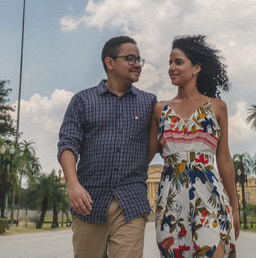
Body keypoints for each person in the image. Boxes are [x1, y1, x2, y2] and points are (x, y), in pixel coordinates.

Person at [58, 35, 157, 258]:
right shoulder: (82, 100)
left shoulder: (150, 103)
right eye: (130, 58)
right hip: (89, 203)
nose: (137, 64)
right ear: (109, 63)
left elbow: (152, 146)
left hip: (130, 203)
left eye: (140, 59)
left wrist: (135, 166)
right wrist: (73, 185)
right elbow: (67, 144)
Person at [149, 35, 239, 258]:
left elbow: (225, 159)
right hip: (171, 200)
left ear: (196, 67)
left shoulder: (217, 107)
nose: (171, 68)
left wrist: (235, 208)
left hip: (209, 195)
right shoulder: (160, 110)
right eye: (170, 63)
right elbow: (144, 157)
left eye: (178, 62)